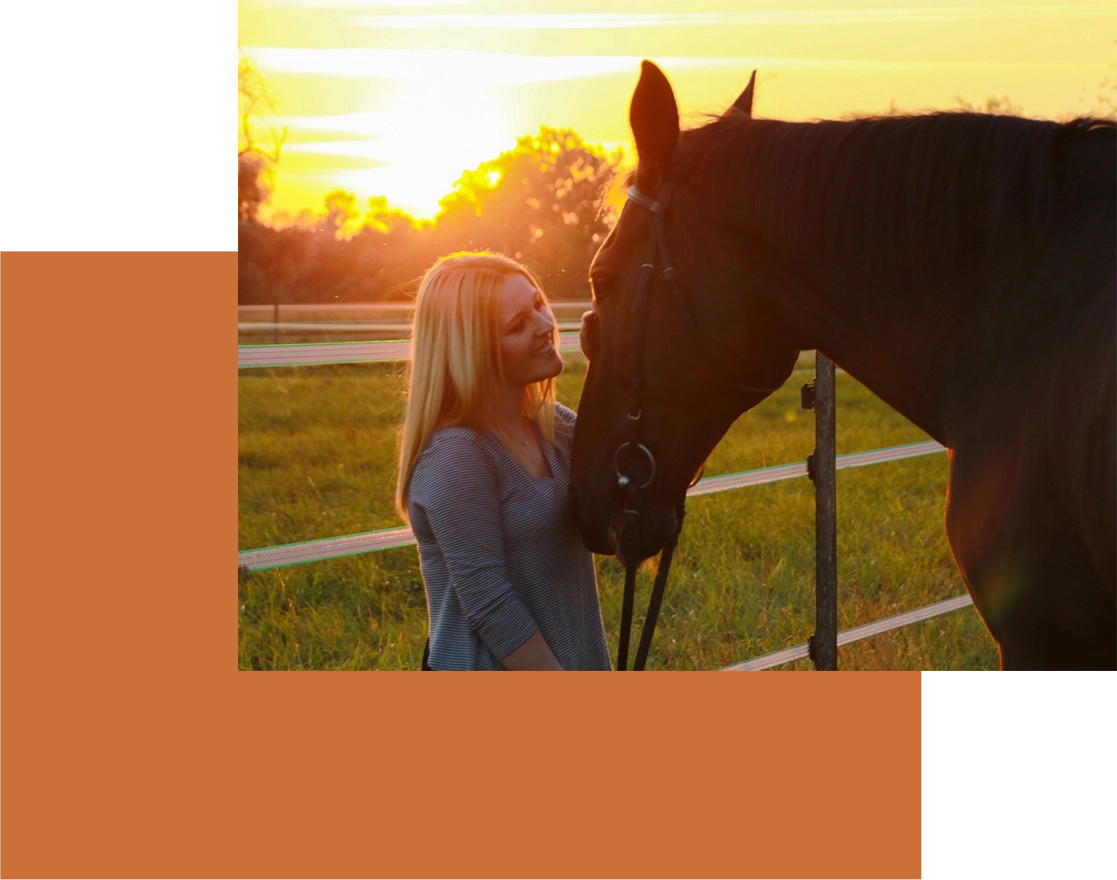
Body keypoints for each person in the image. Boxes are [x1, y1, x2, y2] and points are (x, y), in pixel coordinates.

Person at [396, 252, 611, 670]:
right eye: (518, 324)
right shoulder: (457, 455)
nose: (547, 325)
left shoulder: (554, 427)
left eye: (537, 304)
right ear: (473, 350)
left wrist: (619, 366)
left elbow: (635, 483)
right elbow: (490, 605)